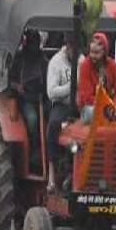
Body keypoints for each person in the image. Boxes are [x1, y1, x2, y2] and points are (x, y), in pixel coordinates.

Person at [10, 30, 46, 171]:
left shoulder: (43, 60)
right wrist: (17, 86)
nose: (33, 46)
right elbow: (10, 80)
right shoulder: (18, 58)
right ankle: (33, 151)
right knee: (32, 120)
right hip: (25, 99)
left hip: (41, 97)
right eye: (31, 43)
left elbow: (48, 79)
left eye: (36, 43)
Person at [46, 34, 76, 193]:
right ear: (67, 46)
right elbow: (51, 92)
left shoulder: (83, 60)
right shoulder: (56, 63)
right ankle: (51, 175)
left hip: (78, 105)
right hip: (61, 105)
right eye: (73, 48)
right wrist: (71, 87)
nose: (76, 53)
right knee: (53, 125)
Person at [77, 32, 116, 120]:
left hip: (109, 105)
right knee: (91, 112)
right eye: (91, 52)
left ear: (104, 52)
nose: (92, 56)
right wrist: (107, 106)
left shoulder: (112, 65)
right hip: (89, 107)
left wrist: (114, 106)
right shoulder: (85, 65)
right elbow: (87, 98)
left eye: (96, 53)